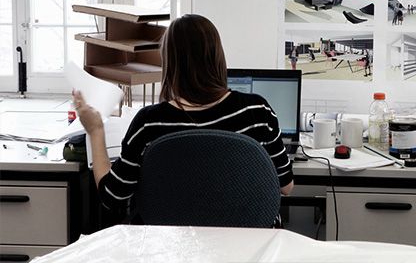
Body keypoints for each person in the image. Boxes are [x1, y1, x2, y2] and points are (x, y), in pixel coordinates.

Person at [73, 14, 294, 220]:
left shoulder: (149, 123)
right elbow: (286, 187)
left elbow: (113, 197)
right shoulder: (257, 112)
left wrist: (95, 131)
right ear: (217, 56)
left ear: (169, 62)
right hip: (249, 249)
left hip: (173, 250)